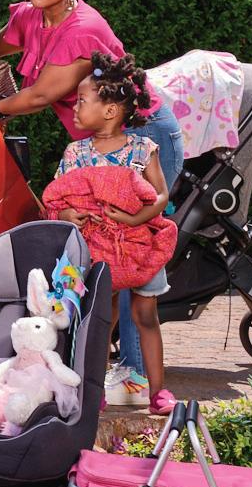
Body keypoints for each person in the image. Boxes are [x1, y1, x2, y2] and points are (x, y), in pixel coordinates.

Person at [0, 0, 184, 395]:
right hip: (96, 144)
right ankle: (107, 363)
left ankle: (136, 374)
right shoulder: (33, 15)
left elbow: (40, 95)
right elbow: (0, 43)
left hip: (142, 135)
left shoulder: (81, 29)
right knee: (102, 247)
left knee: (131, 249)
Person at [47, 55, 174, 413]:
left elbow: (161, 196)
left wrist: (136, 219)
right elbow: (57, 198)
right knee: (102, 318)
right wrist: (67, 215)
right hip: (98, 246)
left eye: (82, 101)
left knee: (145, 315)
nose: (74, 108)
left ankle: (158, 393)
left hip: (140, 245)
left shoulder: (143, 149)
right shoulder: (76, 153)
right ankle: (95, 390)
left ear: (110, 110)